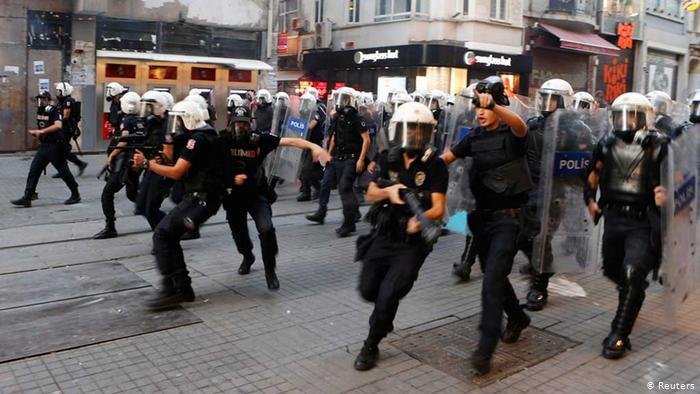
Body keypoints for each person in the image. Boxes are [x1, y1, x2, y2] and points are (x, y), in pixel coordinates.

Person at [440, 76, 531, 375]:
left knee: (491, 281)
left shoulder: (512, 132)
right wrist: (415, 165)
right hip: (480, 218)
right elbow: (447, 158)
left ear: (497, 104)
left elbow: (521, 125)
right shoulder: (475, 137)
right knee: (495, 275)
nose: (478, 111)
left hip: (508, 218)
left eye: (484, 105)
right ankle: (517, 316)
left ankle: (485, 349)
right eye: (476, 105)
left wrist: (495, 104)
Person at [353, 102, 448, 371]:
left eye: (421, 131)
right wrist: (389, 192)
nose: (415, 136)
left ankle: (371, 344)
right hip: (384, 233)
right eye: (411, 129)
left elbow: (439, 207)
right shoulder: (387, 158)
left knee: (387, 295)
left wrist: (423, 220)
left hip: (412, 243)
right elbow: (370, 193)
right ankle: (384, 316)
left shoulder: (435, 165)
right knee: (368, 289)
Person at [583, 92, 668, 359]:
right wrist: (590, 200)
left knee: (632, 273)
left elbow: (679, 178)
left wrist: (666, 193)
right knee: (612, 269)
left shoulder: (659, 146)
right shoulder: (606, 143)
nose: (625, 121)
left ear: (644, 117)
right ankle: (633, 290)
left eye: (631, 115)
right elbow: (593, 173)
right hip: (613, 217)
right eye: (620, 114)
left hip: (643, 220)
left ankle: (618, 334)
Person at [221, 107, 330, 290]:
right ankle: (247, 256)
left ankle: (270, 271)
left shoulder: (259, 140)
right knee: (239, 233)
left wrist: (314, 146)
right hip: (233, 195)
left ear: (250, 124)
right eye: (237, 123)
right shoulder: (223, 140)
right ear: (232, 124)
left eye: (244, 123)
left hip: (256, 194)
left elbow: (289, 141)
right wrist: (230, 179)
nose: (240, 127)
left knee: (266, 229)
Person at [133, 100, 224, 310]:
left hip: (201, 199)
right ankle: (179, 287)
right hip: (199, 197)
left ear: (189, 118)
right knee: (168, 235)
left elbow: (176, 172)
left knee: (162, 234)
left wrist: (148, 164)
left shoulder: (198, 140)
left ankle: (174, 289)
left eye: (180, 119)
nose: (178, 125)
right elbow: (172, 158)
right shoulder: (203, 135)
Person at [518, 78, 574, 311]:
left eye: (554, 99)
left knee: (542, 240)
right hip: (529, 189)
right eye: (545, 98)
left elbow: (582, 164)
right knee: (522, 237)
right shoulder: (532, 124)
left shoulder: (574, 130)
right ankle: (539, 267)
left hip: (554, 193)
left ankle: (539, 287)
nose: (547, 104)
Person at [306, 87, 371, 237]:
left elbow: (366, 139)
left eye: (344, 99)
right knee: (325, 184)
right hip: (337, 158)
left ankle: (349, 224)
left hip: (351, 158)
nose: (340, 102)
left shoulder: (357, 118)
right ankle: (321, 212)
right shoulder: (337, 117)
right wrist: (328, 155)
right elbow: (334, 137)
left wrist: (361, 160)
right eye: (339, 98)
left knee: (345, 188)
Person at [11, 91, 81, 207]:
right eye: (39, 99)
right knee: (34, 170)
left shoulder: (54, 110)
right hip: (44, 146)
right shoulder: (41, 111)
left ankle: (75, 194)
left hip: (56, 146)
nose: (41, 102)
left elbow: (58, 125)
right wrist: (39, 134)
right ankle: (27, 197)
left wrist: (41, 131)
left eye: (43, 99)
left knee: (64, 172)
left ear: (48, 100)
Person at [93, 91, 146, 239]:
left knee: (107, 193)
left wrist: (112, 155)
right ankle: (157, 216)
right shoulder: (141, 120)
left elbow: (124, 140)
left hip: (125, 163)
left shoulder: (128, 120)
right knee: (133, 194)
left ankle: (110, 227)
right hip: (135, 162)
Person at [134, 91, 174, 230]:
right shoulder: (152, 122)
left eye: (150, 106)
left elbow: (168, 155)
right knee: (141, 206)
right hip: (151, 166)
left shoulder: (169, 124)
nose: (147, 110)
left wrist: (158, 157)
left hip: (162, 171)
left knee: (151, 208)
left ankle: (166, 233)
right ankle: (165, 232)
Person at [297, 88, 327, 201]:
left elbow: (312, 124)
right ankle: (309, 190)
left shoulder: (316, 109)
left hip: (314, 144)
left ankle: (311, 191)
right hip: (305, 142)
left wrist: (301, 128)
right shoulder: (304, 111)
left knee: (307, 170)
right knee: (304, 169)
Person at [53, 82, 88, 177]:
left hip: (66, 129)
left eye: (59, 91)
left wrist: (55, 123)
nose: (58, 93)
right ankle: (65, 170)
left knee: (62, 150)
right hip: (62, 129)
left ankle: (79, 164)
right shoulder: (62, 101)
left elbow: (65, 116)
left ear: (65, 91)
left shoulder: (68, 101)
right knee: (61, 150)